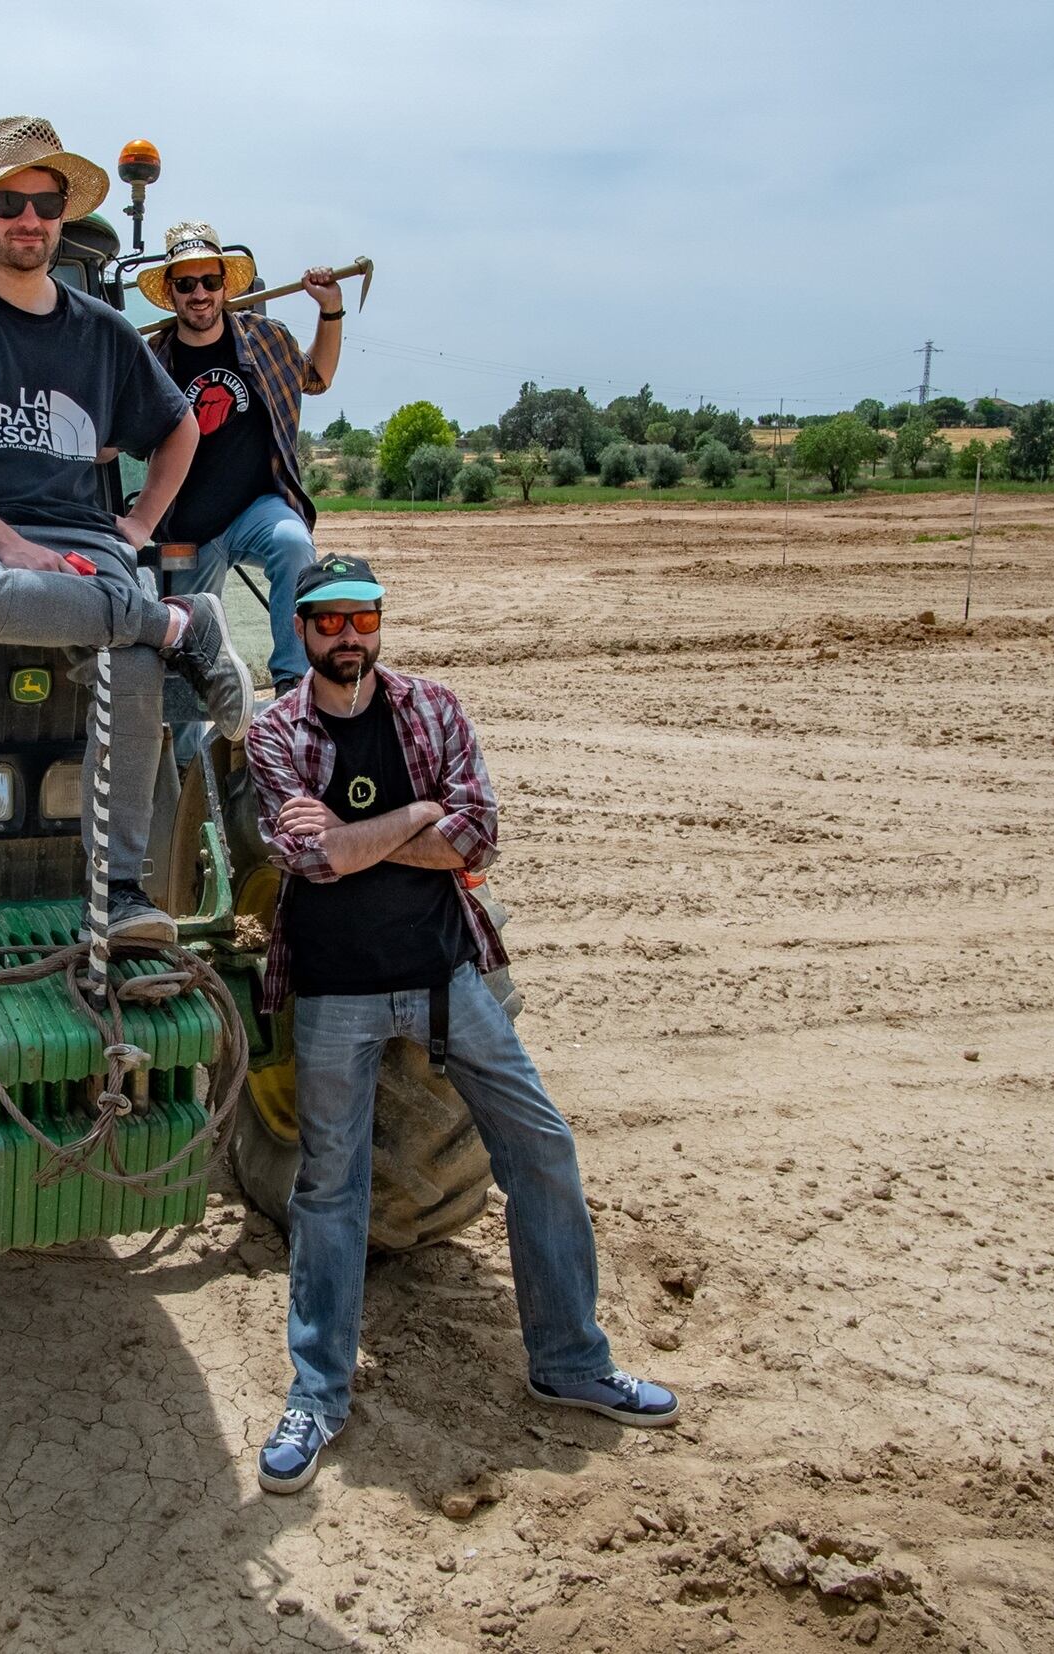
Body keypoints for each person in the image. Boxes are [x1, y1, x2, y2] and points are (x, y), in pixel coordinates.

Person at [242, 554, 679, 1493]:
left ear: (378, 625)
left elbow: (476, 834)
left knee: (544, 1150)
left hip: (448, 979)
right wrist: (415, 816)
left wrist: (365, 842)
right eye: (327, 621)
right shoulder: (274, 731)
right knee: (329, 1194)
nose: (345, 635)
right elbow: (307, 857)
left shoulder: (434, 708)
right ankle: (316, 1399)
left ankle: (569, 1363)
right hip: (333, 997)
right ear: (302, 630)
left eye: (362, 618)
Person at [0, 116, 255, 945]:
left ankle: (120, 893)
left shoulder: (103, 333)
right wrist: (5, 544)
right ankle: (179, 622)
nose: (28, 218)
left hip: (84, 536)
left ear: (60, 217)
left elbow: (180, 426)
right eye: (9, 200)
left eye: (44, 203)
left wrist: (140, 525)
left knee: (128, 648)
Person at [138, 222, 346, 695]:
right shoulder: (153, 360)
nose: (199, 294)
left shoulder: (266, 339)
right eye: (186, 283)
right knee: (188, 656)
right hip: (188, 527)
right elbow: (120, 435)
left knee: (293, 542)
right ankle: (187, 754)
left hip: (257, 507)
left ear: (225, 286)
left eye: (210, 282)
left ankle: (292, 681)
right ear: (170, 291)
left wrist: (330, 310)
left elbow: (318, 376)